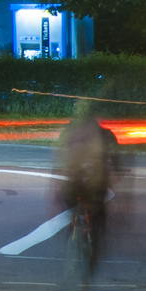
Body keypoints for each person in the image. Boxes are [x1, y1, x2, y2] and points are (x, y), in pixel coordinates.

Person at [54, 104, 121, 257]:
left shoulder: (69, 130)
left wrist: (58, 178)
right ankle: (96, 231)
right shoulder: (105, 133)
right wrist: (118, 170)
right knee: (99, 207)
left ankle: (72, 225)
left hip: (77, 180)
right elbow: (116, 157)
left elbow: (59, 154)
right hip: (96, 181)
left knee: (69, 198)